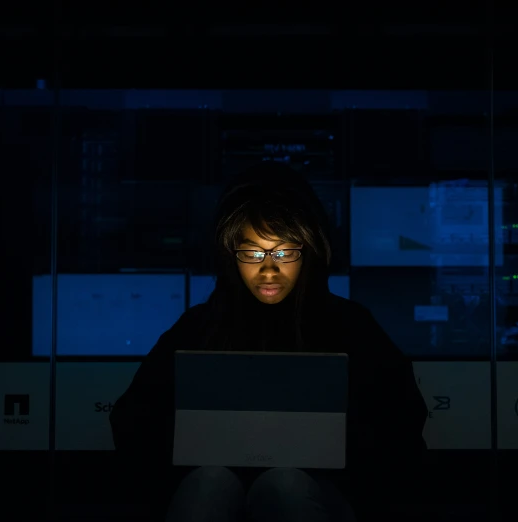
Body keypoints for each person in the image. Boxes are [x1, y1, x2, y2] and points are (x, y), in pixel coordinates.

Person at [110, 161, 428, 522]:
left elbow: (401, 428)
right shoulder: (201, 326)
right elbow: (133, 421)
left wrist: (338, 452)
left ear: (308, 251)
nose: (268, 269)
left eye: (283, 252)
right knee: (209, 483)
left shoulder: (351, 326)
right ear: (232, 257)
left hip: (324, 491)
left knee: (284, 485)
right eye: (252, 253)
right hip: (214, 486)